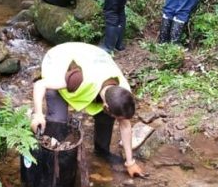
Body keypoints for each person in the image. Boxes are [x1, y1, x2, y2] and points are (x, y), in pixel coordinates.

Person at [30, 42, 144, 178]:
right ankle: (51, 163)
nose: (121, 121)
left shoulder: (123, 91)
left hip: (90, 57)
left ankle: (101, 151)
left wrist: (130, 162)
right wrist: (38, 114)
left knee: (106, 117)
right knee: (58, 123)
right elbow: (40, 84)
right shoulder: (78, 79)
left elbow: (125, 125)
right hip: (58, 61)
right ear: (106, 105)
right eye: (118, 117)